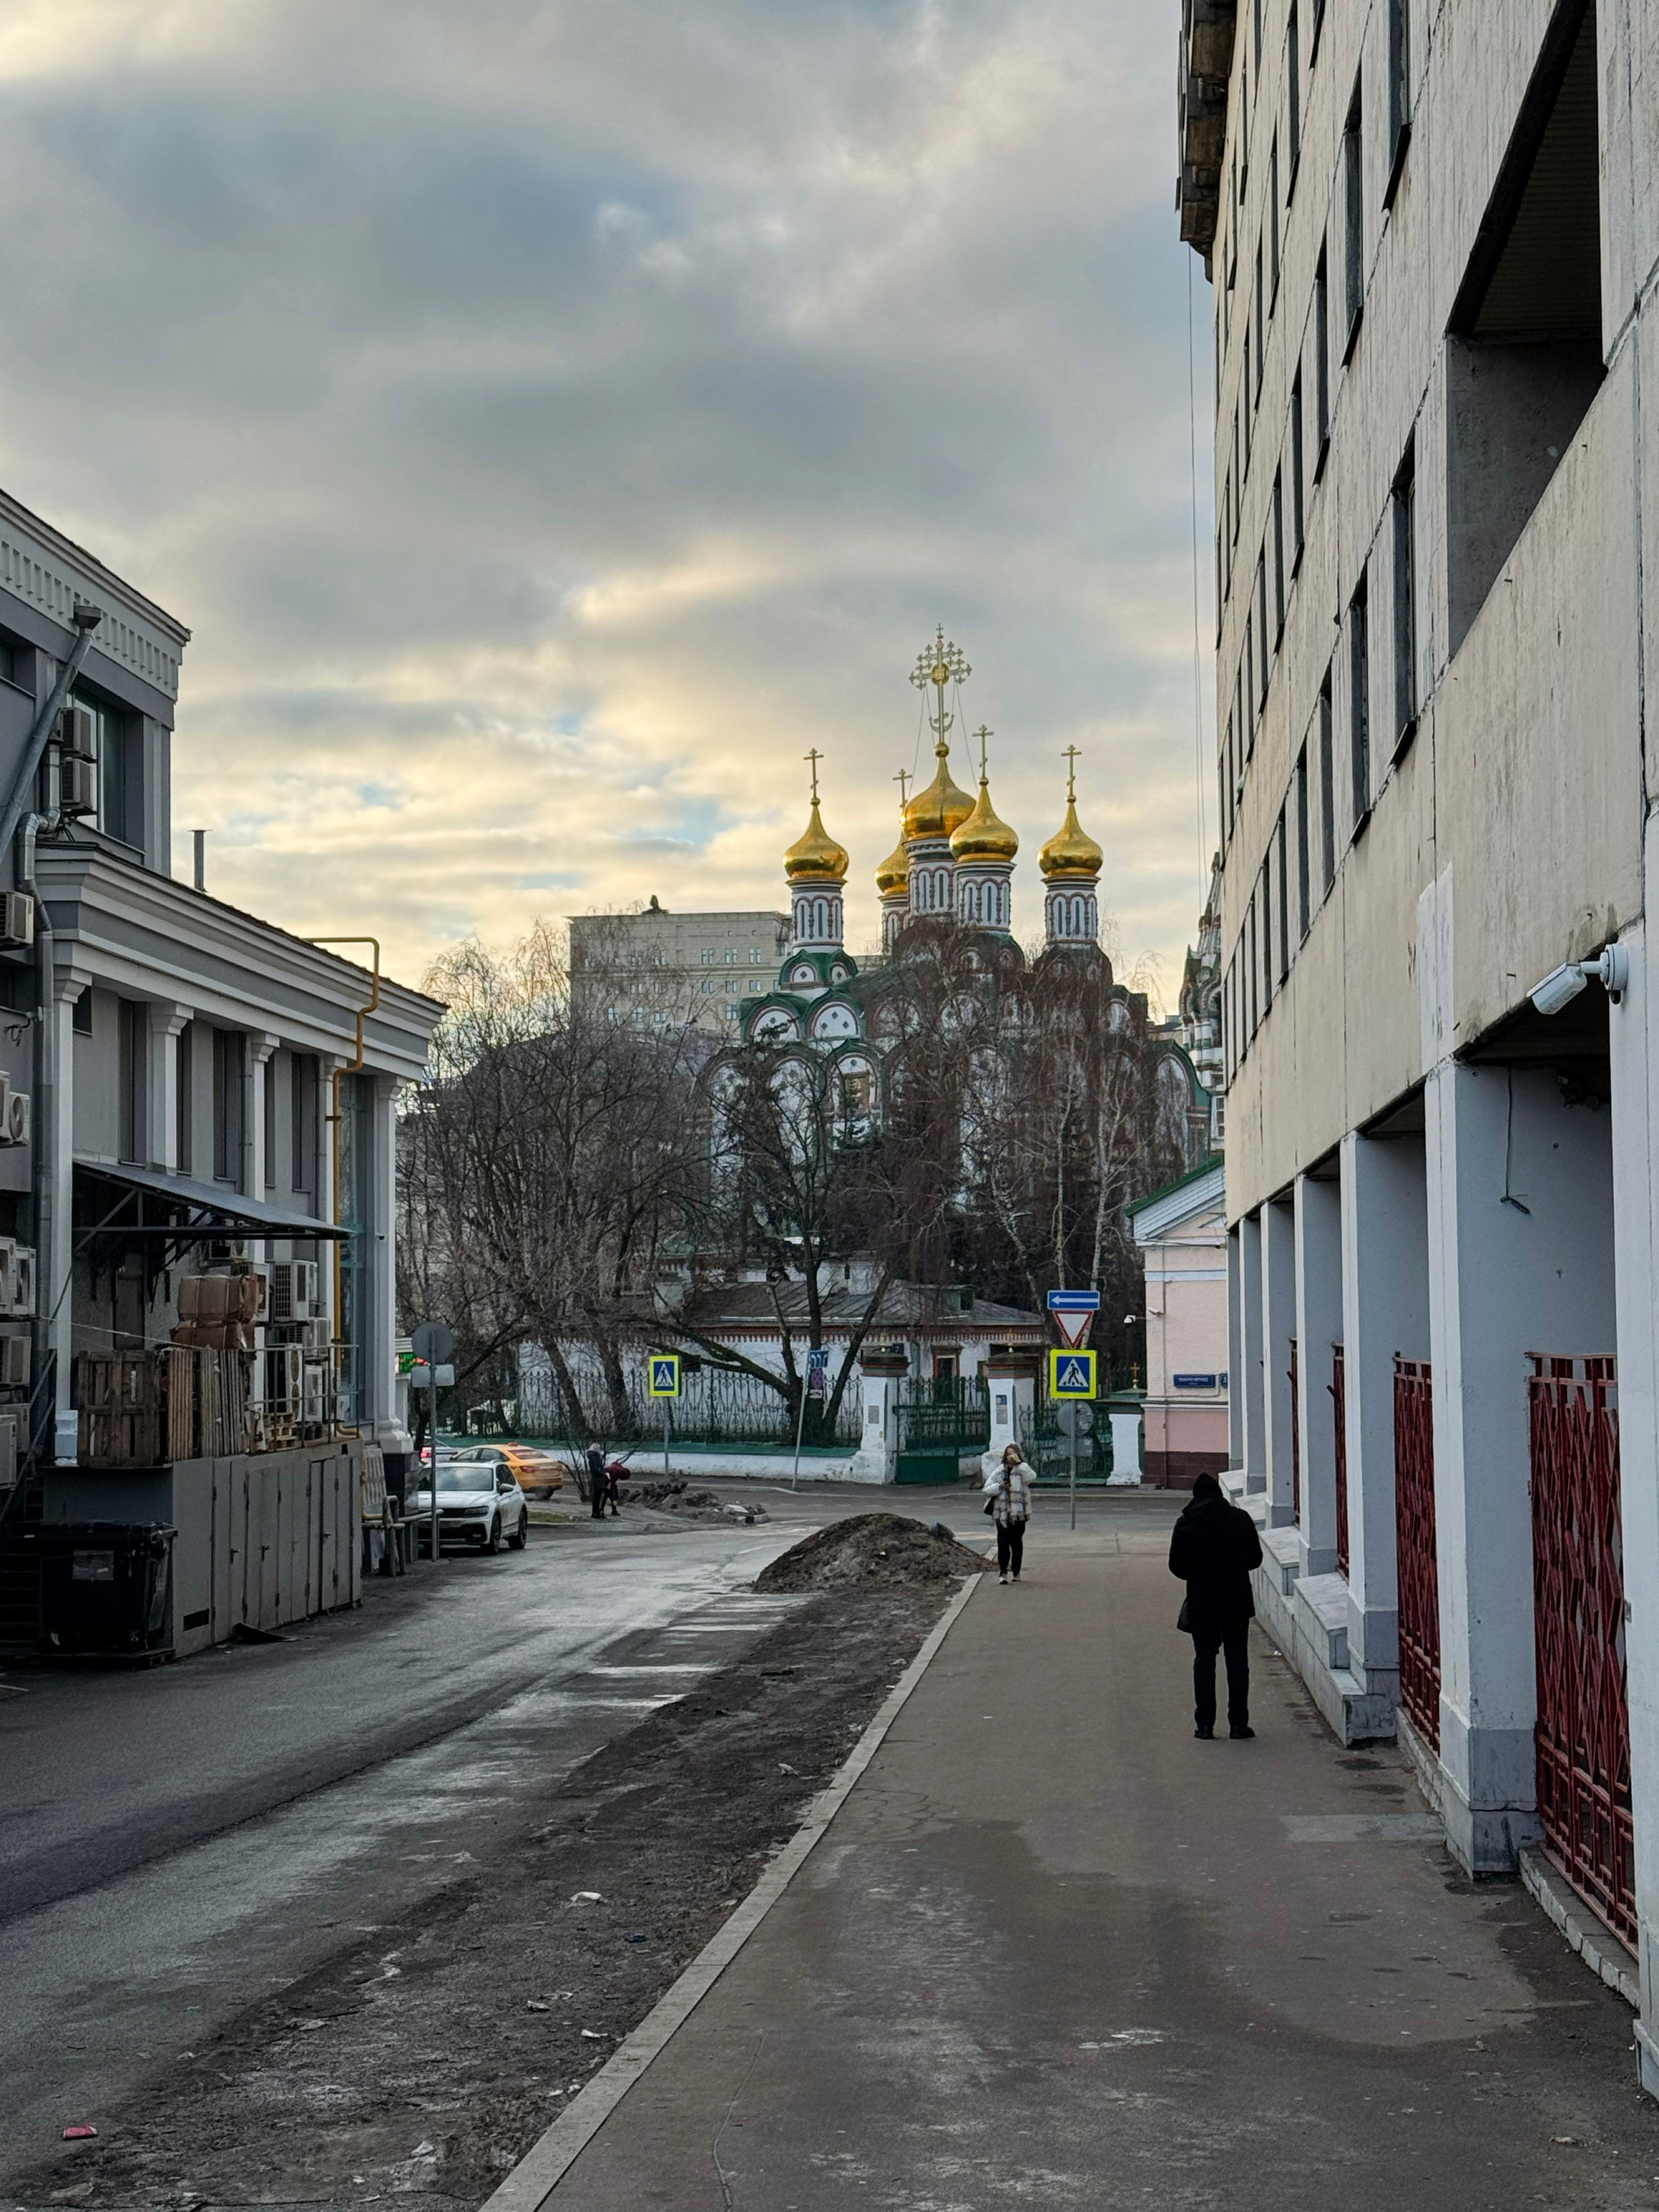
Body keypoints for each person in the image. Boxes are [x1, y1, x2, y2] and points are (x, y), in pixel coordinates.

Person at [1168, 1471, 1263, 1740]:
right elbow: (1255, 1559)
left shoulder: (1186, 1524)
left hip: (1202, 1601)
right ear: (1220, 1493)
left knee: (1204, 1660)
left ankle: (1205, 1725)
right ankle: (1238, 1724)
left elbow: (1176, 1566)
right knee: (1237, 1661)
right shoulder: (1240, 1519)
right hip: (1236, 1601)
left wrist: (1199, 1574)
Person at [982, 1443, 1032, 1584]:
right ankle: (1003, 1572)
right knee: (1003, 1544)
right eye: (1008, 1454)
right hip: (1002, 1514)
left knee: (1017, 1544)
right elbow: (987, 1488)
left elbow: (1031, 1477)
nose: (1010, 1457)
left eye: (1013, 1453)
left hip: (1018, 1514)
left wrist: (1019, 1463)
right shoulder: (1000, 1471)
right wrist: (1000, 1486)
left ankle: (1016, 1572)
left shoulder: (1022, 1470)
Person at [586, 1444, 608, 1521]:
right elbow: (595, 1469)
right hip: (598, 1479)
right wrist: (603, 1473)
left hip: (598, 1479)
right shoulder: (594, 1458)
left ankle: (596, 1512)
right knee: (597, 1497)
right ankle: (596, 1512)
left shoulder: (594, 1457)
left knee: (597, 1497)